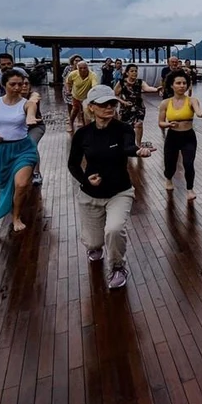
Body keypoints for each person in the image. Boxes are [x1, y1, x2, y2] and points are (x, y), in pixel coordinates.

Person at [68, 85, 153, 290]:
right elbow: (73, 164)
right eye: (104, 104)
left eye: (112, 103)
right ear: (91, 108)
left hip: (119, 191)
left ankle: (117, 267)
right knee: (94, 243)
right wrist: (86, 180)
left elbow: (128, 147)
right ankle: (94, 246)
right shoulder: (83, 134)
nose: (109, 107)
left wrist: (139, 152)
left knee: (114, 229)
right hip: (91, 194)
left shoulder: (123, 128)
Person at [0, 69, 41, 232]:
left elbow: (30, 113)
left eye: (20, 84)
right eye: (12, 84)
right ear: (4, 85)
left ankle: (16, 217)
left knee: (21, 184)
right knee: (5, 184)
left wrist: (30, 119)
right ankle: (10, 206)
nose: (17, 87)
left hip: (23, 148)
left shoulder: (27, 104)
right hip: (0, 150)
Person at [158, 70, 202, 200]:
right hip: (172, 137)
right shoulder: (165, 103)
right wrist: (168, 125)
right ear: (172, 85)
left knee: (188, 163)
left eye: (184, 83)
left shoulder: (192, 100)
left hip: (188, 137)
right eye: (178, 83)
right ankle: (169, 179)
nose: (182, 85)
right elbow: (160, 122)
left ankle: (190, 189)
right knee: (170, 164)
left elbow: (198, 112)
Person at [114, 63, 161, 148]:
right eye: (132, 71)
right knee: (126, 127)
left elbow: (147, 88)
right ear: (127, 73)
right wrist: (123, 102)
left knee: (139, 125)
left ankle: (138, 145)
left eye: (136, 71)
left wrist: (156, 89)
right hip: (126, 108)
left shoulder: (140, 82)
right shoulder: (121, 82)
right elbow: (115, 95)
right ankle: (126, 143)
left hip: (138, 107)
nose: (134, 73)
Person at [22, 77, 46, 186]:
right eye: (21, 84)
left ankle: (36, 172)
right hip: (18, 128)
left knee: (31, 143)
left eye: (26, 83)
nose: (24, 86)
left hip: (35, 126)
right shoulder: (10, 99)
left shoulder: (33, 96)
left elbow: (34, 100)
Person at [67, 59, 99, 131]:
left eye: (84, 68)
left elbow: (94, 85)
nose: (83, 70)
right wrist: (68, 89)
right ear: (77, 69)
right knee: (75, 109)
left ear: (87, 68)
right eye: (81, 68)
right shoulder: (73, 74)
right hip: (76, 95)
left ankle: (86, 127)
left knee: (86, 111)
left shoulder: (92, 75)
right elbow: (68, 82)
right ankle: (70, 123)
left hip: (86, 97)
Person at [62, 54, 84, 132]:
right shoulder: (68, 68)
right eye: (76, 60)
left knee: (77, 106)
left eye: (79, 60)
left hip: (78, 90)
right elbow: (65, 78)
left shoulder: (82, 68)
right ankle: (70, 117)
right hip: (68, 89)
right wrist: (67, 89)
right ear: (73, 61)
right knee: (69, 105)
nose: (77, 62)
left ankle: (79, 119)